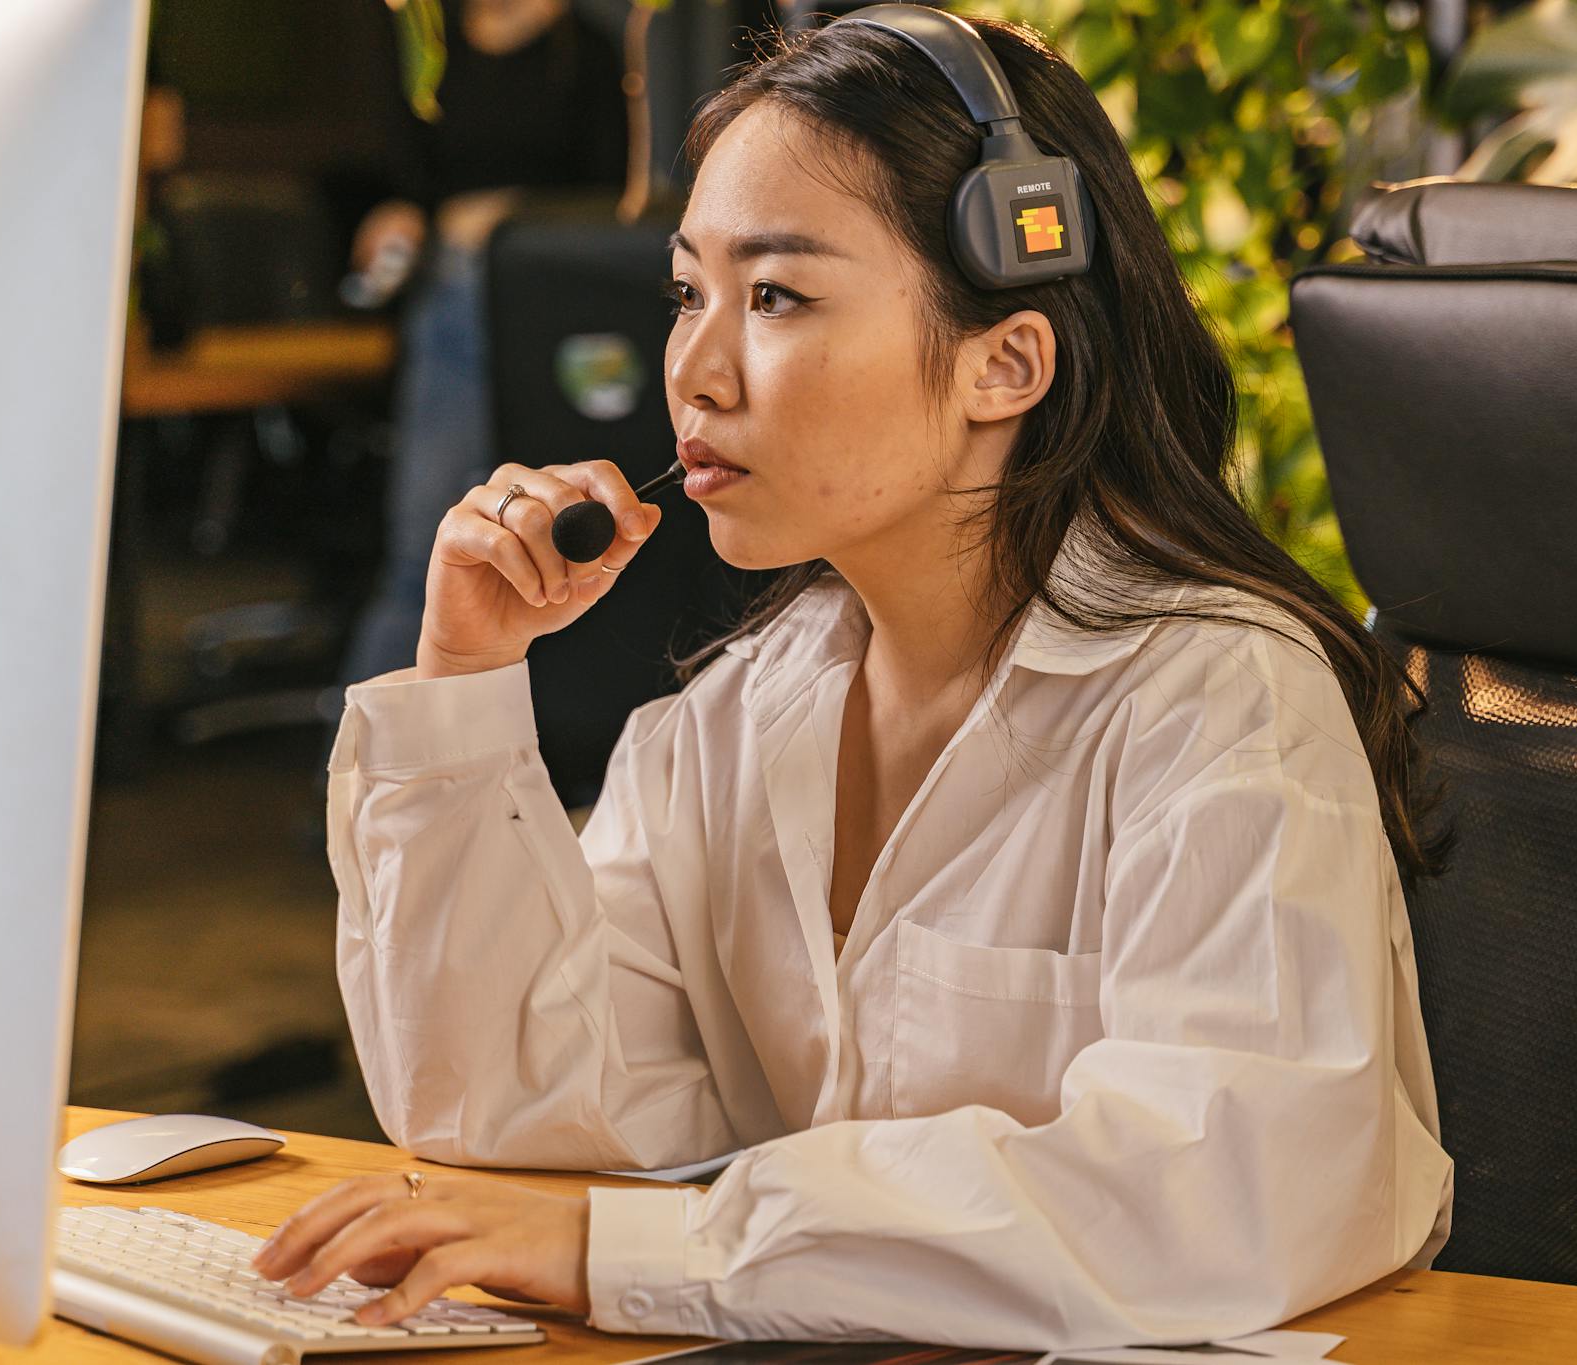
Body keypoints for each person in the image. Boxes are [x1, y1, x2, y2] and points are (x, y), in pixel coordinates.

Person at [253, 12, 1457, 1349]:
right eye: (687, 294)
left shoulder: (1219, 701)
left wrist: (652, 1249)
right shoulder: (740, 714)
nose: (694, 371)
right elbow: (498, 1108)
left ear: (1005, 363)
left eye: (775, 296)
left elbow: (1219, 1193)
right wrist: (464, 681)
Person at [338, 0, 628, 687]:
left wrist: (511, 217)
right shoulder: (430, 40)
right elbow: (403, 174)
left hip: (553, 294)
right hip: (447, 286)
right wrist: (399, 215)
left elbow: (610, 194)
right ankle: (370, 743)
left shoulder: (586, 51)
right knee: (425, 551)